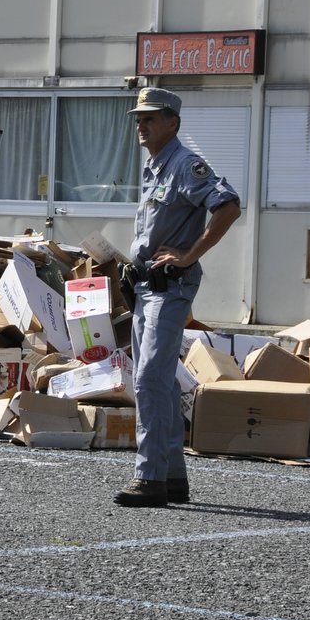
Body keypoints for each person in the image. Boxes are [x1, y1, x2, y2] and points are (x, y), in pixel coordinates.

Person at [113, 87, 241, 508]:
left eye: (150, 118)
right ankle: (171, 478)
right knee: (160, 382)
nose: (141, 125)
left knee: (149, 377)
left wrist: (188, 255)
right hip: (146, 287)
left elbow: (228, 206)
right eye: (138, 118)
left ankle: (149, 478)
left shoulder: (185, 165)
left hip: (170, 288)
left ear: (174, 123)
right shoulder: (155, 167)